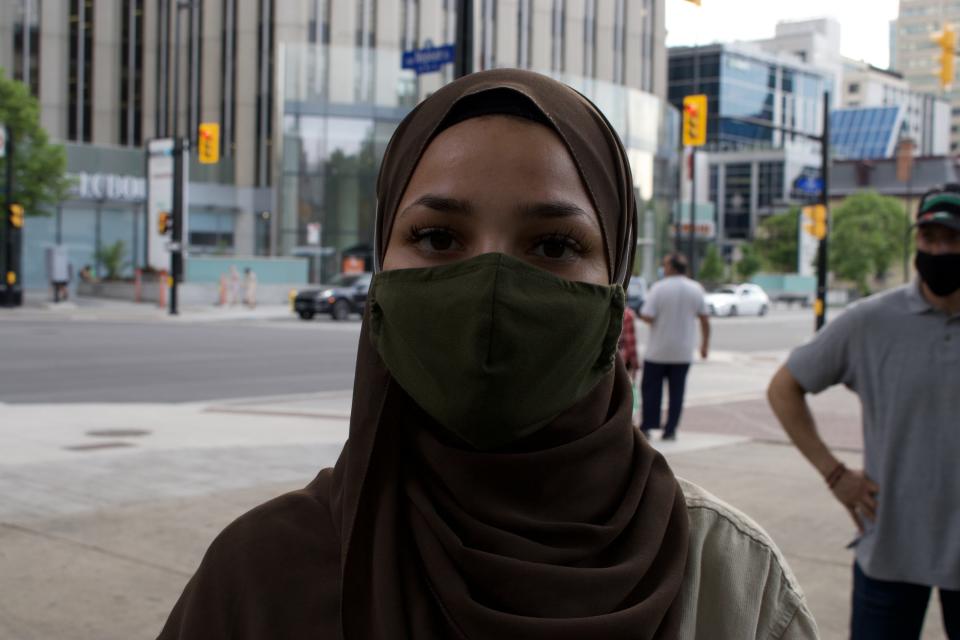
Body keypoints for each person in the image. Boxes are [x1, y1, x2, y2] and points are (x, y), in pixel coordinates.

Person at [158, 69, 817, 640]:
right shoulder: (258, 574)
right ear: (380, 268)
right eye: (438, 236)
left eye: (555, 246)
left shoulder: (734, 583)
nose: (493, 291)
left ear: (615, 282)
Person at [767, 185, 960, 640]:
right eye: (929, 238)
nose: (938, 249)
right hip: (889, 550)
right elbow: (783, 389)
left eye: (951, 239)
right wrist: (834, 474)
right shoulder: (871, 321)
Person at [638, 253, 710, 441]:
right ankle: (670, 429)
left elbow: (647, 315)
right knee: (677, 392)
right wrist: (704, 345)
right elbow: (704, 319)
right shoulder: (696, 289)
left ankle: (648, 425)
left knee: (651, 390)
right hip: (683, 351)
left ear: (671, 267)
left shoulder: (659, 288)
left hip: (658, 350)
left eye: (665, 264)